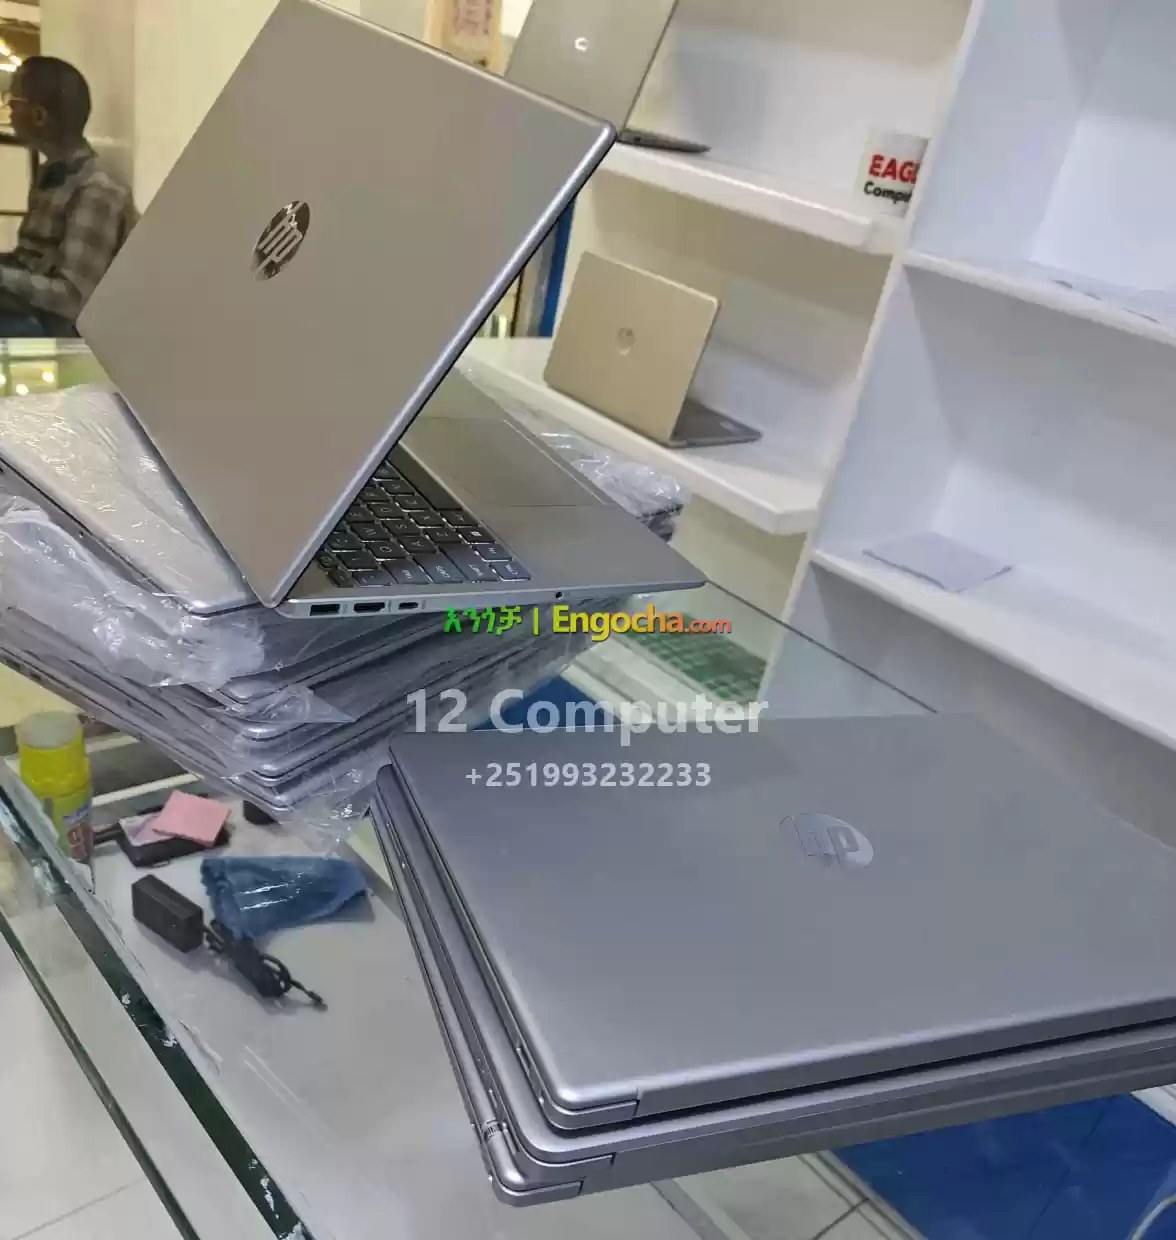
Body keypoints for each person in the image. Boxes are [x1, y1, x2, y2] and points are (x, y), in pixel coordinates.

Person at [0, 56, 136, 338]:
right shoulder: (52, 174)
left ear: (39, 116)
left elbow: (73, 298)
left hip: (50, 329)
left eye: (13, 100)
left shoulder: (96, 189)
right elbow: (29, 260)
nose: (8, 109)